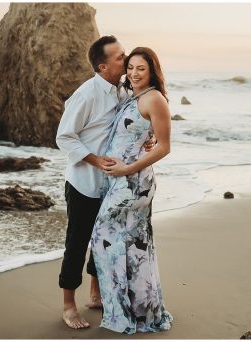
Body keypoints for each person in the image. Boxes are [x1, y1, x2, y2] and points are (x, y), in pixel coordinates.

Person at [90, 46, 173, 334]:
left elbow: (164, 146)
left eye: (141, 68)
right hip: (121, 182)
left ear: (152, 71)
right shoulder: (133, 96)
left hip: (134, 183)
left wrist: (128, 168)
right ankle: (138, 311)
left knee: (103, 237)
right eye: (130, 67)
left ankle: (124, 312)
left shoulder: (154, 98)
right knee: (132, 245)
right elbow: (145, 135)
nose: (134, 73)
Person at [54, 35, 129, 329]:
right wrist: (96, 160)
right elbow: (64, 137)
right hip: (83, 183)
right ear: (102, 66)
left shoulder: (124, 90)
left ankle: (95, 294)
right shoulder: (86, 94)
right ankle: (68, 305)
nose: (125, 59)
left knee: (104, 240)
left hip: (112, 184)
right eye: (120, 56)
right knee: (77, 244)